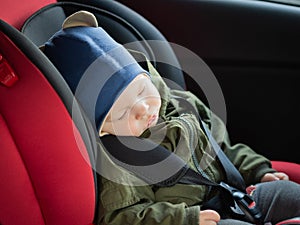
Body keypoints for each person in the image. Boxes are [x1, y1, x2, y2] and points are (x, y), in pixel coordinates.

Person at [42, 10, 300, 225]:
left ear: (147, 76)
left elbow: (221, 148)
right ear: (102, 129)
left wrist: (256, 169)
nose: (143, 109)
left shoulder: (181, 103)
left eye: (143, 90)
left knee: (290, 195)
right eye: (122, 113)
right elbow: (121, 217)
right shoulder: (117, 160)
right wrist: (184, 218)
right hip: (194, 218)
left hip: (232, 195)